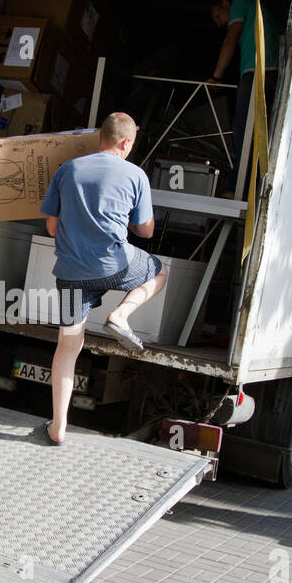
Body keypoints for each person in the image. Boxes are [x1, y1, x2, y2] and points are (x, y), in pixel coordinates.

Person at [38, 112, 168, 445]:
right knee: (160, 270)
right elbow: (147, 231)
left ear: (101, 137)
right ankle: (121, 315)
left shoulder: (68, 170)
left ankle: (59, 426)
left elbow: (51, 227)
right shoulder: (136, 175)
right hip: (118, 266)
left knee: (68, 345)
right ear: (126, 142)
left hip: (70, 273)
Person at [209, 0, 279, 192]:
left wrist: (216, 76)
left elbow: (230, 39)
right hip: (266, 71)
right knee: (255, 128)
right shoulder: (255, 11)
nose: (218, 22)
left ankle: (239, 185)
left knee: (242, 126)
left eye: (217, 16)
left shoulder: (240, 4)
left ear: (225, 4)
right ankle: (251, 184)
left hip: (257, 72)